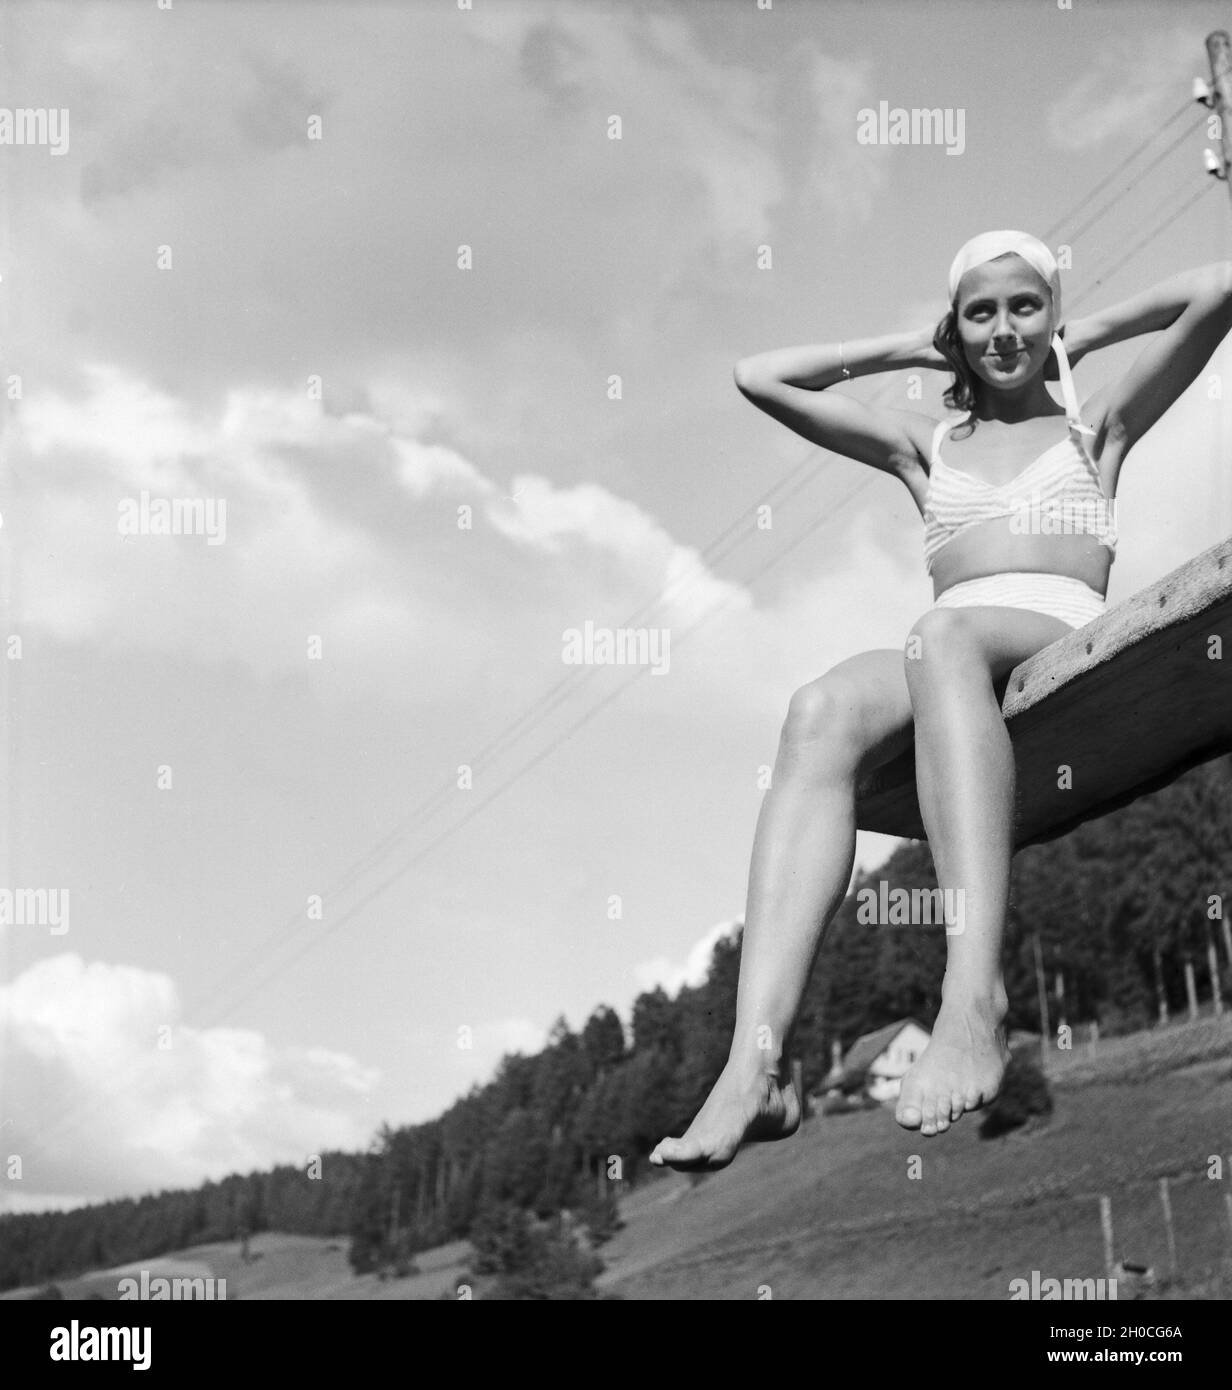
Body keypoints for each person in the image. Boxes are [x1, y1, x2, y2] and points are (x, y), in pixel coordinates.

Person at [650, 231, 1232, 1170]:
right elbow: (759, 378)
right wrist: (907, 349)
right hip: (944, 658)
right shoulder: (929, 449)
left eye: (1024, 307)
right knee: (817, 711)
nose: (1003, 330)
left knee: (942, 636)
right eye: (980, 313)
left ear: (1052, 313)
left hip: (1051, 633)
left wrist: (1080, 339)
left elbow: (1220, 285)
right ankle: (756, 1069)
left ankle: (973, 999)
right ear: (955, 328)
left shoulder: (1100, 430)